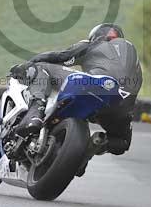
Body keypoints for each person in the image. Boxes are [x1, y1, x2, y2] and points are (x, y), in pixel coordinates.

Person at [9, 23, 143, 155]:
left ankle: (34, 115)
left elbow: (60, 57)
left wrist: (27, 65)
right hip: (122, 107)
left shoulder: (94, 44)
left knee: (41, 68)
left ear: (97, 36)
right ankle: (87, 152)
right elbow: (122, 146)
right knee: (121, 142)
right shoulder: (134, 60)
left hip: (96, 84)